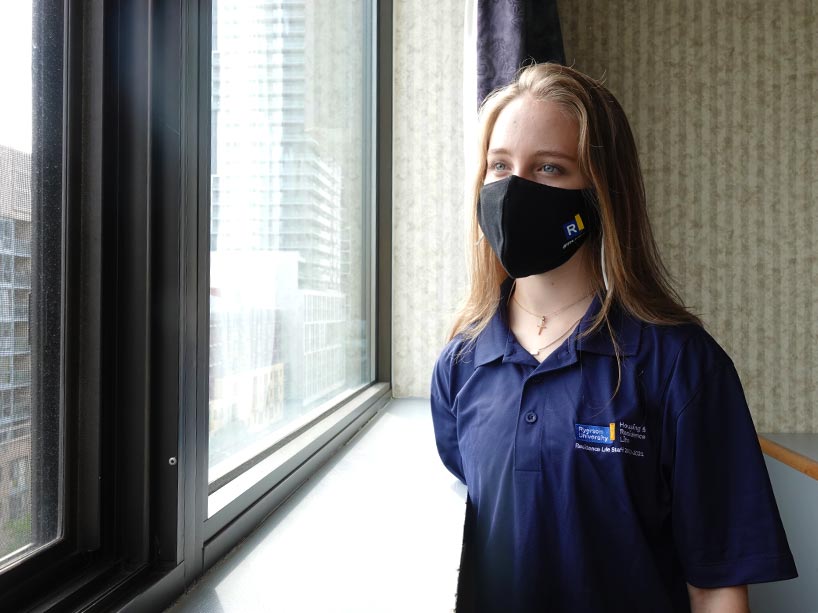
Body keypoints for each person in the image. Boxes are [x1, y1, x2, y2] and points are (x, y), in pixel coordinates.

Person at [430, 63, 797, 613]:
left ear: (600, 190)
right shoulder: (461, 360)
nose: (514, 190)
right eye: (500, 166)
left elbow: (717, 587)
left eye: (550, 168)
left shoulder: (682, 366)